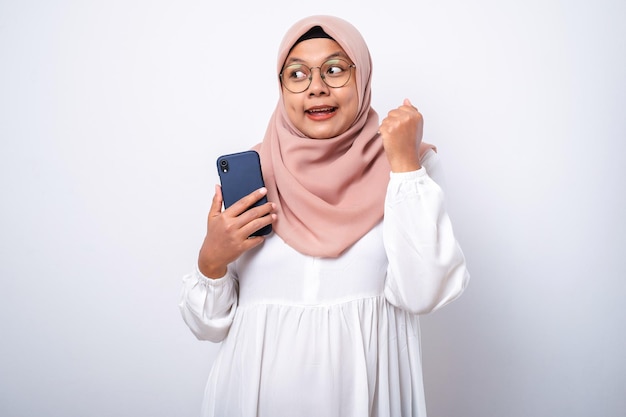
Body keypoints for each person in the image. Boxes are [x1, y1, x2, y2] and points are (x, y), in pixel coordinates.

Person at [179, 15, 469, 417]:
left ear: (362, 77)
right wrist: (210, 261)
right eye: (297, 74)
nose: (316, 87)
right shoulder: (253, 175)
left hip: (364, 400)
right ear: (282, 88)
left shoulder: (408, 171)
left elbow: (424, 293)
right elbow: (208, 327)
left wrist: (402, 162)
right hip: (253, 400)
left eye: (334, 70)